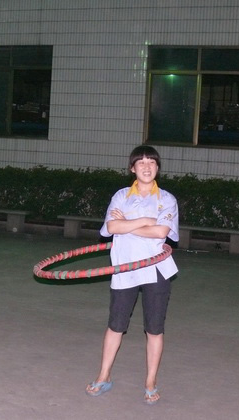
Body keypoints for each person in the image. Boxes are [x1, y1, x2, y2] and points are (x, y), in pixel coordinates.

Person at [85, 145, 178, 404]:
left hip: (156, 270)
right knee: (115, 325)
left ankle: (150, 381)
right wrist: (146, 220)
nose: (147, 167)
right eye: (141, 162)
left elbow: (161, 232)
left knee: (154, 329)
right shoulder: (121, 196)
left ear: (157, 168)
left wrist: (126, 224)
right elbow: (110, 227)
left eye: (152, 162)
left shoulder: (167, 199)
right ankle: (103, 376)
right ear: (132, 168)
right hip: (124, 267)